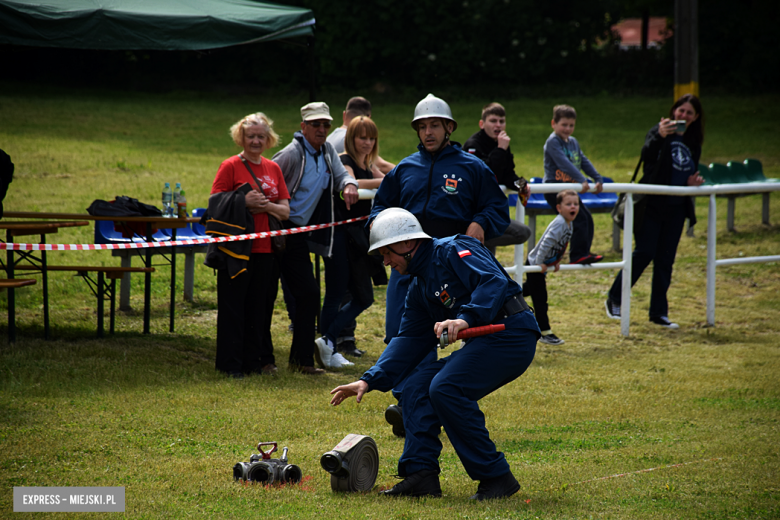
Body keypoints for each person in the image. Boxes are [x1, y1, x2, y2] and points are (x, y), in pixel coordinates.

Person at [330, 208, 539, 500]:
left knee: (445, 387)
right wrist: (368, 380)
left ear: (406, 244)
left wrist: (465, 318)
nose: (385, 262)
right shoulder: (418, 286)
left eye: (386, 253)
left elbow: (492, 282)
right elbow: (410, 340)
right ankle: (421, 476)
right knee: (415, 386)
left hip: (512, 334)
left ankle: (496, 477)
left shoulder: (455, 247)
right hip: (485, 340)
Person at [368, 93, 511, 436]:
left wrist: (480, 223)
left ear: (449, 128)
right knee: (403, 335)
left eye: (435, 125)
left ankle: (434, 401)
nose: (428, 132)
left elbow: (497, 208)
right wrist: (384, 239)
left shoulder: (473, 167)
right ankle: (407, 405)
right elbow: (378, 211)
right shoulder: (404, 169)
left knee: (452, 335)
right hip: (408, 266)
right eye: (422, 126)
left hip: (453, 268)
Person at [272, 101, 359, 374]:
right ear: (303, 127)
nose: (322, 130)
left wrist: (348, 184)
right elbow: (267, 180)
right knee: (264, 294)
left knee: (308, 294)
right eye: (315, 124)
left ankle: (302, 361)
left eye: (326, 125)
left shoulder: (327, 150)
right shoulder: (291, 154)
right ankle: (260, 360)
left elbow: (342, 174)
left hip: (297, 234)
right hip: (275, 229)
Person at [605, 94, 705, 329]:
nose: (683, 116)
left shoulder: (693, 141)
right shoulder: (659, 131)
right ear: (673, 111)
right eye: (681, 111)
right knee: (645, 251)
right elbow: (646, 157)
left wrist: (691, 184)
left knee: (665, 260)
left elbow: (688, 169)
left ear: (696, 117)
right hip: (651, 205)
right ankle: (615, 297)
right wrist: (660, 136)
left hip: (677, 208)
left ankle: (659, 313)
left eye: (689, 113)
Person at [210, 113, 290, 378]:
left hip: (267, 251)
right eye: (250, 136)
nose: (255, 141)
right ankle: (230, 365)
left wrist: (265, 205)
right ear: (240, 138)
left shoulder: (274, 168)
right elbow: (215, 203)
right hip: (237, 251)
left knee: (259, 309)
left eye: (260, 136)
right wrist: (243, 202)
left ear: (269, 140)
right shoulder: (230, 166)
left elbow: (285, 212)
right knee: (233, 308)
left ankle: (253, 363)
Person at [313, 116, 386, 366]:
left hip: (358, 241)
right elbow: (355, 182)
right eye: (361, 137)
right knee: (335, 294)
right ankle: (328, 346)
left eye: (371, 138)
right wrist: (385, 182)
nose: (367, 143)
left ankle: (328, 341)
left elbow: (382, 177)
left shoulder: (368, 162)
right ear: (351, 138)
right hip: (340, 238)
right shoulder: (345, 161)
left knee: (363, 297)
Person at [463, 102, 532, 254]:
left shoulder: (502, 143)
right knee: (521, 232)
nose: (498, 125)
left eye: (502, 121)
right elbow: (485, 176)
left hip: (489, 211)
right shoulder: (473, 145)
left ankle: (477, 239)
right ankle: (473, 238)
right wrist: (500, 149)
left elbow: (508, 175)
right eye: (493, 121)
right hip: (471, 213)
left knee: (488, 262)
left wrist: (522, 184)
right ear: (482, 124)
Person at [543, 104, 604, 265]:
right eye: (563, 124)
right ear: (553, 124)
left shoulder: (573, 142)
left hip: (569, 190)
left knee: (587, 219)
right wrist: (581, 180)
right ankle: (576, 255)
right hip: (555, 189)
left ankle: (583, 252)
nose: (567, 128)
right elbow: (564, 164)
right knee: (580, 220)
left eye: (571, 125)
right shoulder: (553, 142)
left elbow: (583, 161)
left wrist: (597, 177)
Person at [523, 189, 579, 346]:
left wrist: (555, 262)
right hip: (535, 264)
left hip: (543, 264)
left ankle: (508, 294)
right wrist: (539, 263)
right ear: (559, 208)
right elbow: (547, 243)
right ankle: (544, 332)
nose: (573, 206)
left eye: (575, 204)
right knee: (540, 299)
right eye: (568, 204)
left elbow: (561, 245)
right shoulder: (560, 223)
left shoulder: (569, 224)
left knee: (529, 290)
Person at [327, 96, 396, 173]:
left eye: (372, 139)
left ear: (344, 114)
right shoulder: (347, 139)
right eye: (363, 138)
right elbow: (382, 166)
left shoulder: (330, 137)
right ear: (368, 119)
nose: (368, 142)